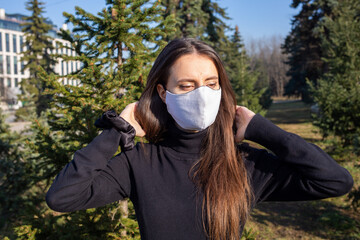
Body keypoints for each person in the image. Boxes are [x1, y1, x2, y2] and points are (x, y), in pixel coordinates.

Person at [46, 38, 353, 240]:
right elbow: (61, 197)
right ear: (164, 94)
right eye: (187, 85)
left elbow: (335, 181)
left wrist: (262, 130)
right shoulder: (139, 163)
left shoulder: (243, 164)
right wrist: (116, 131)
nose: (202, 94)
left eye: (210, 83)